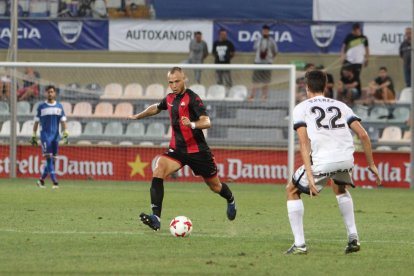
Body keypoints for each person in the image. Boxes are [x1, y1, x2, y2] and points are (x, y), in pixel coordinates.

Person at [128, 67, 237, 231]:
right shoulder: (170, 98)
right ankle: (156, 218)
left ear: (184, 79)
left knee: (215, 186)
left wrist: (192, 124)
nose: (173, 85)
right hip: (177, 150)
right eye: (170, 82)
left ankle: (230, 199)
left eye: (177, 81)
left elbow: (207, 121)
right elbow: (157, 107)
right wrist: (138, 116)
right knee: (159, 169)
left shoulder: (193, 98)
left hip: (198, 151)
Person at [285, 70, 381, 255]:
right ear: (326, 86)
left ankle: (299, 244)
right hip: (346, 158)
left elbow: (304, 143)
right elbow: (363, 135)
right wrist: (372, 164)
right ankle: (353, 237)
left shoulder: (301, 108)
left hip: (323, 159)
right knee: (340, 188)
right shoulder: (341, 106)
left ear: (306, 87)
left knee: (292, 190)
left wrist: (310, 174)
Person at [31, 85, 69, 189]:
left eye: (52, 92)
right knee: (48, 159)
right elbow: (36, 122)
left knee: (53, 160)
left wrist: (66, 133)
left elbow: (63, 121)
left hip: (56, 136)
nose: (50, 94)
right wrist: (34, 135)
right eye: (48, 92)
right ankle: (55, 182)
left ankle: (41, 180)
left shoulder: (59, 107)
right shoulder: (41, 107)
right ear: (45, 93)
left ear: (55, 93)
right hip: (45, 136)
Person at [249, 24, 278, 100]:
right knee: (255, 80)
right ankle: (252, 96)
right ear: (262, 31)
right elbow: (255, 49)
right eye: (264, 31)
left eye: (266, 31)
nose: (265, 32)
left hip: (267, 63)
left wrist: (270, 59)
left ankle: (264, 96)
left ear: (268, 32)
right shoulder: (258, 40)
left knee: (266, 81)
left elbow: (275, 52)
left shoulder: (272, 41)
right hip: (258, 62)